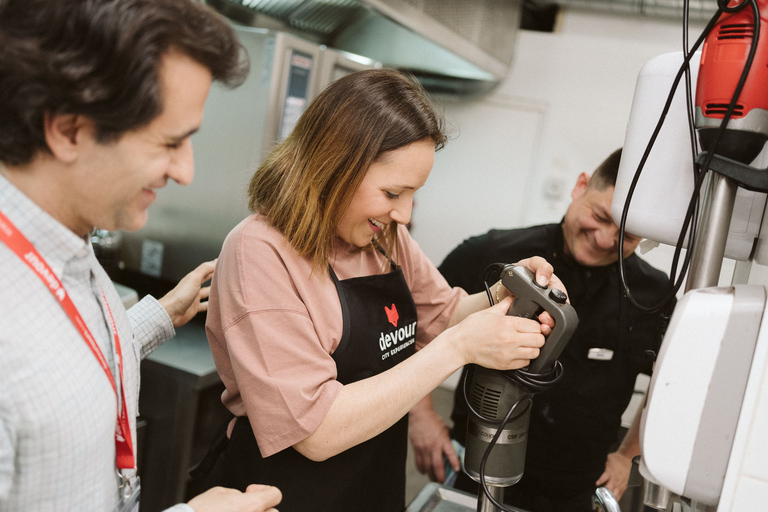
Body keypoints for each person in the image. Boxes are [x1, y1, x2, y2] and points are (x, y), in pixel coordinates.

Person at [200, 68, 568, 512]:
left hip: (372, 482)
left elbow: (442, 316)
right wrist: (459, 348)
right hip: (282, 495)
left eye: (413, 195)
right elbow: (316, 433)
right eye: (394, 192)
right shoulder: (259, 252)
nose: (405, 213)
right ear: (335, 163)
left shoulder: (380, 237)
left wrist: (504, 297)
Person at [0, 1, 282, 511]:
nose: (185, 172)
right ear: (68, 130)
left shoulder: (70, 240)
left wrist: (158, 316)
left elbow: (56, 369)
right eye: (170, 142)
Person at [408, 148, 671, 512]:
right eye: (600, 216)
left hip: (577, 484)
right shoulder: (492, 254)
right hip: (476, 465)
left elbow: (671, 383)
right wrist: (420, 415)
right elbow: (415, 325)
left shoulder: (652, 296)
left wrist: (628, 455)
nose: (606, 239)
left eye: (627, 237)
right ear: (580, 186)